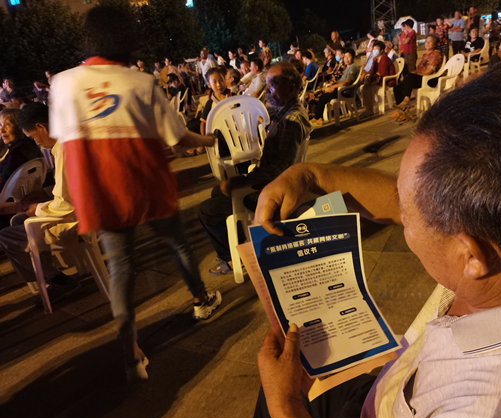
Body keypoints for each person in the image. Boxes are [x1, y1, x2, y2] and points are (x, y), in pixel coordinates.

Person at [246, 58, 501, 418]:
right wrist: (311, 176)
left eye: (408, 217)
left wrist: (286, 408)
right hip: (391, 391)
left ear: (471, 256)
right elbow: (401, 203)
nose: (398, 215)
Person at [49, 6, 222, 382]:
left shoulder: (62, 84)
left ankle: (130, 351)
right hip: (148, 188)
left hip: (101, 195)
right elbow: (178, 138)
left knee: (121, 269)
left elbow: (63, 141)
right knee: (178, 246)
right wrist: (210, 140)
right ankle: (201, 299)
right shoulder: (141, 82)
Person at [198, 62, 311, 276]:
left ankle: (232, 259)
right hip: (270, 183)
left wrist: (243, 181)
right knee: (217, 192)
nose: (266, 90)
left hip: (270, 191)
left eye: (272, 85)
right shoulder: (285, 112)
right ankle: (242, 244)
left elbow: (281, 168)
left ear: (290, 88)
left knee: (207, 210)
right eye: (266, 84)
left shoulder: (292, 121)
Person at [0, 103, 79, 301]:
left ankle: (58, 280)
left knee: (7, 236)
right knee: (19, 221)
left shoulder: (63, 150)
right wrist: (44, 195)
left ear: (41, 127)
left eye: (34, 137)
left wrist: (38, 209)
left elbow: (65, 205)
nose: (36, 143)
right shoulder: (65, 145)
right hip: (80, 210)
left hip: (76, 220)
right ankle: (53, 276)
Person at [310, 49, 359, 126]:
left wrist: (333, 87)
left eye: (348, 57)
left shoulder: (353, 67)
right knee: (322, 95)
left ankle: (318, 118)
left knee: (323, 97)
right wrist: (332, 85)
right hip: (341, 89)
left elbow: (347, 82)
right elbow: (342, 80)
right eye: (345, 57)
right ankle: (317, 118)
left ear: (352, 57)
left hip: (345, 91)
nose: (346, 59)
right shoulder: (348, 67)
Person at [393, 34, 442, 110]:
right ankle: (403, 110)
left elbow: (430, 70)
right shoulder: (425, 55)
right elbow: (418, 70)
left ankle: (406, 99)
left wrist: (417, 76)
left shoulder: (436, 54)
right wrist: (412, 75)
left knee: (410, 77)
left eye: (430, 42)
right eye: (426, 41)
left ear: (435, 44)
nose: (427, 43)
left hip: (430, 79)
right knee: (397, 88)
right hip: (421, 78)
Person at [360, 40, 396, 119]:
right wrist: (373, 61)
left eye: (376, 49)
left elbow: (382, 74)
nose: (374, 51)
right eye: (374, 49)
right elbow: (372, 72)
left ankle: (370, 110)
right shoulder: (376, 59)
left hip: (386, 81)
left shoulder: (384, 58)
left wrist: (373, 80)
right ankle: (368, 108)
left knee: (368, 88)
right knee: (364, 88)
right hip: (378, 80)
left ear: (382, 50)